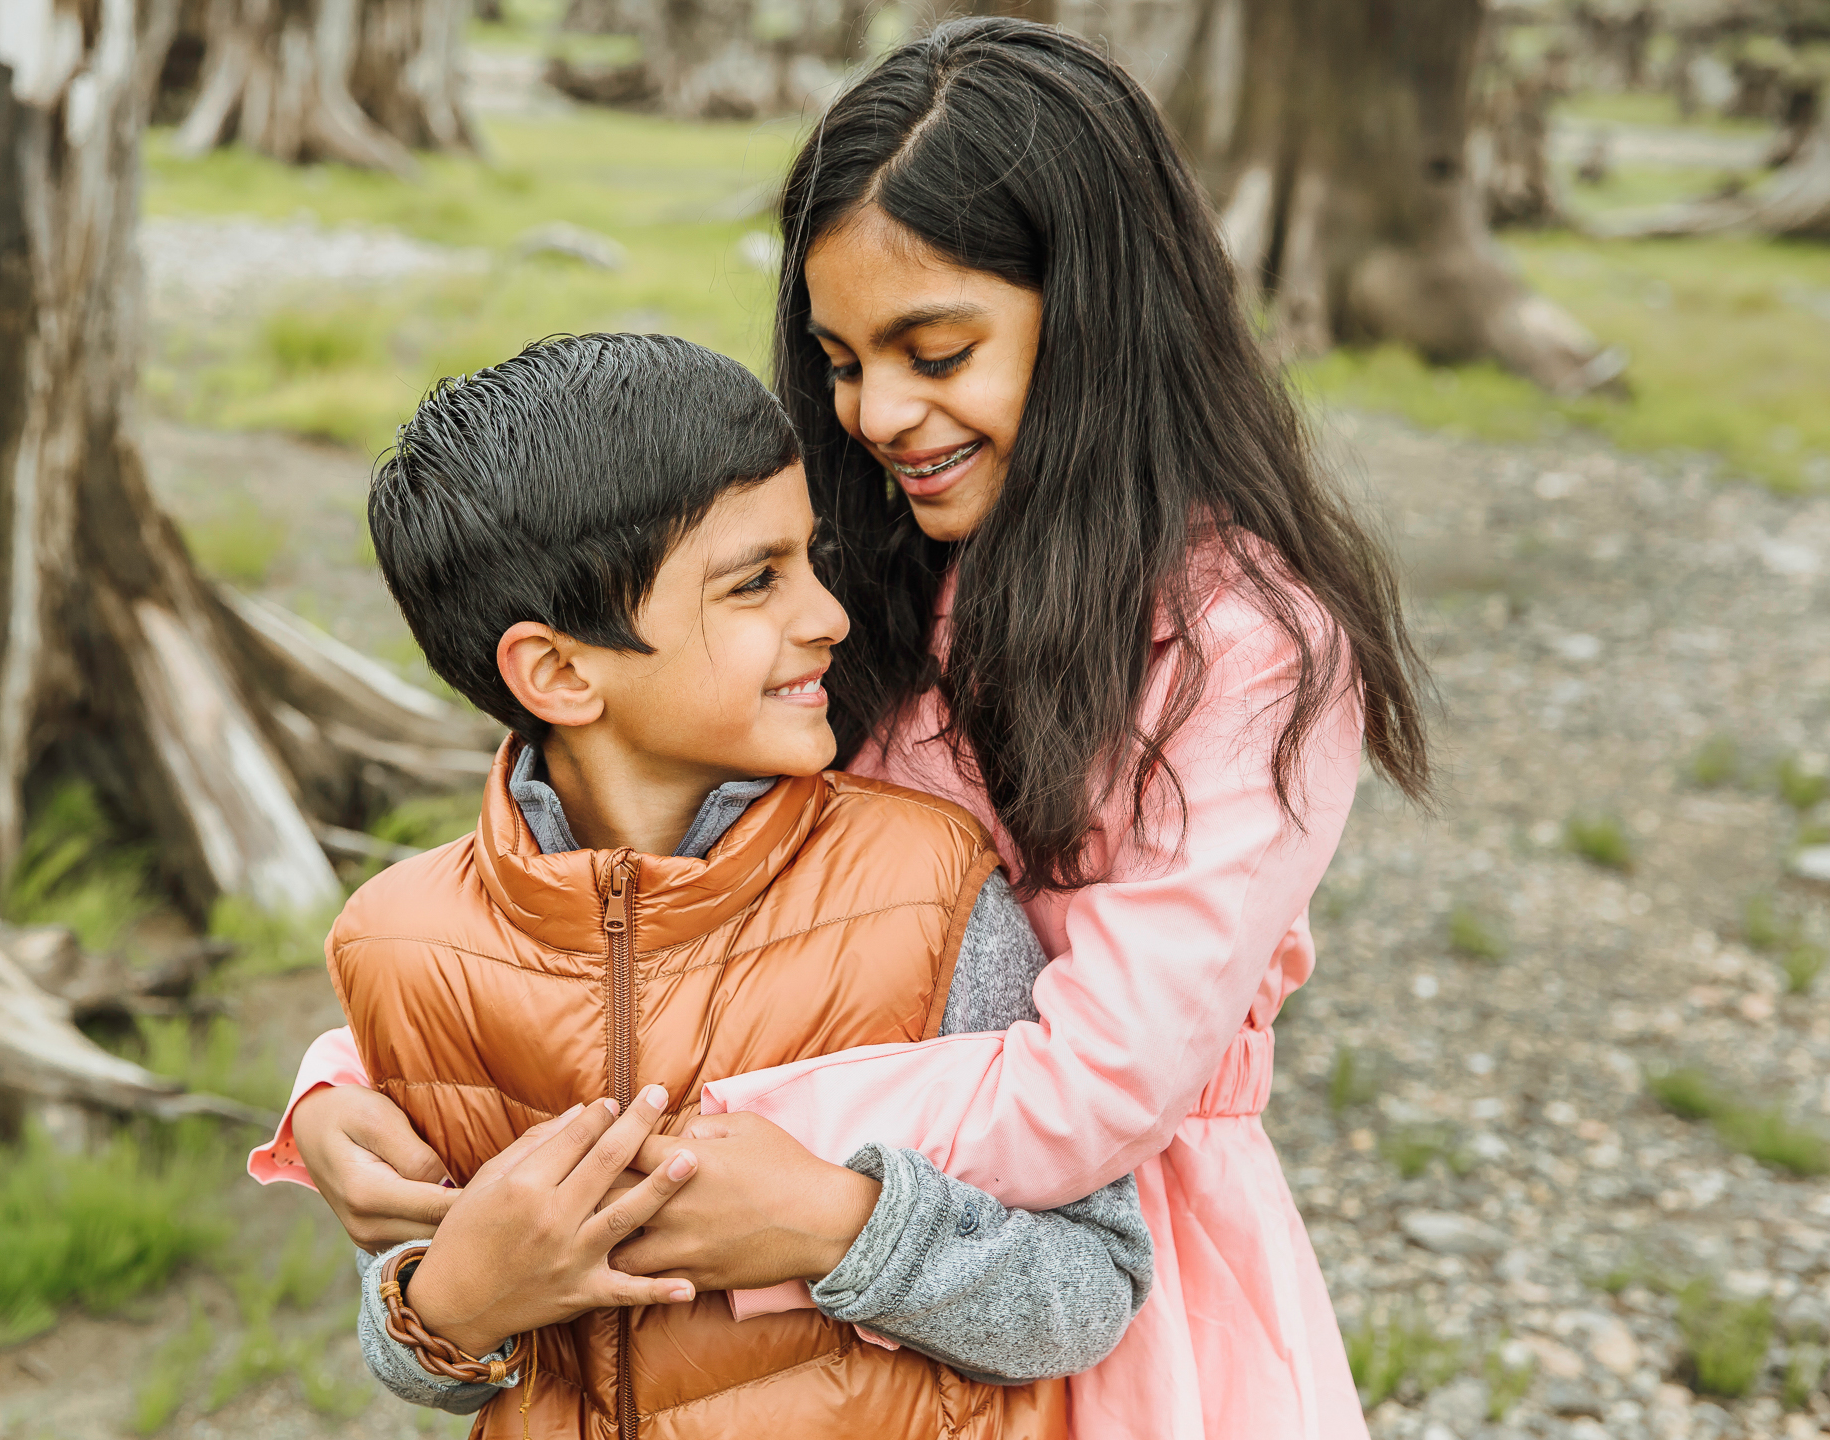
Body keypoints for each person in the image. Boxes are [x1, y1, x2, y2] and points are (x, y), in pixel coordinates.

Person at [259, 19, 1431, 1438]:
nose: (877, 414)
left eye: (936, 350)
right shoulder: (859, 575)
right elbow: (608, 892)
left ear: (1103, 317)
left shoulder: (1241, 652)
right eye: (839, 360)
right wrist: (346, 1092)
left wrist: (684, 1137)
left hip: (1087, 1279)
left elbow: (1096, 1085)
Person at [317, 331, 1152, 1436]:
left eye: (809, 559)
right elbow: (436, 1339)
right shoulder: (398, 945)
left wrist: (835, 1229)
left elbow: (1089, 1288)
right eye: (756, 582)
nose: (829, 616)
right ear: (561, 672)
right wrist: (451, 1303)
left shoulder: (925, 888)